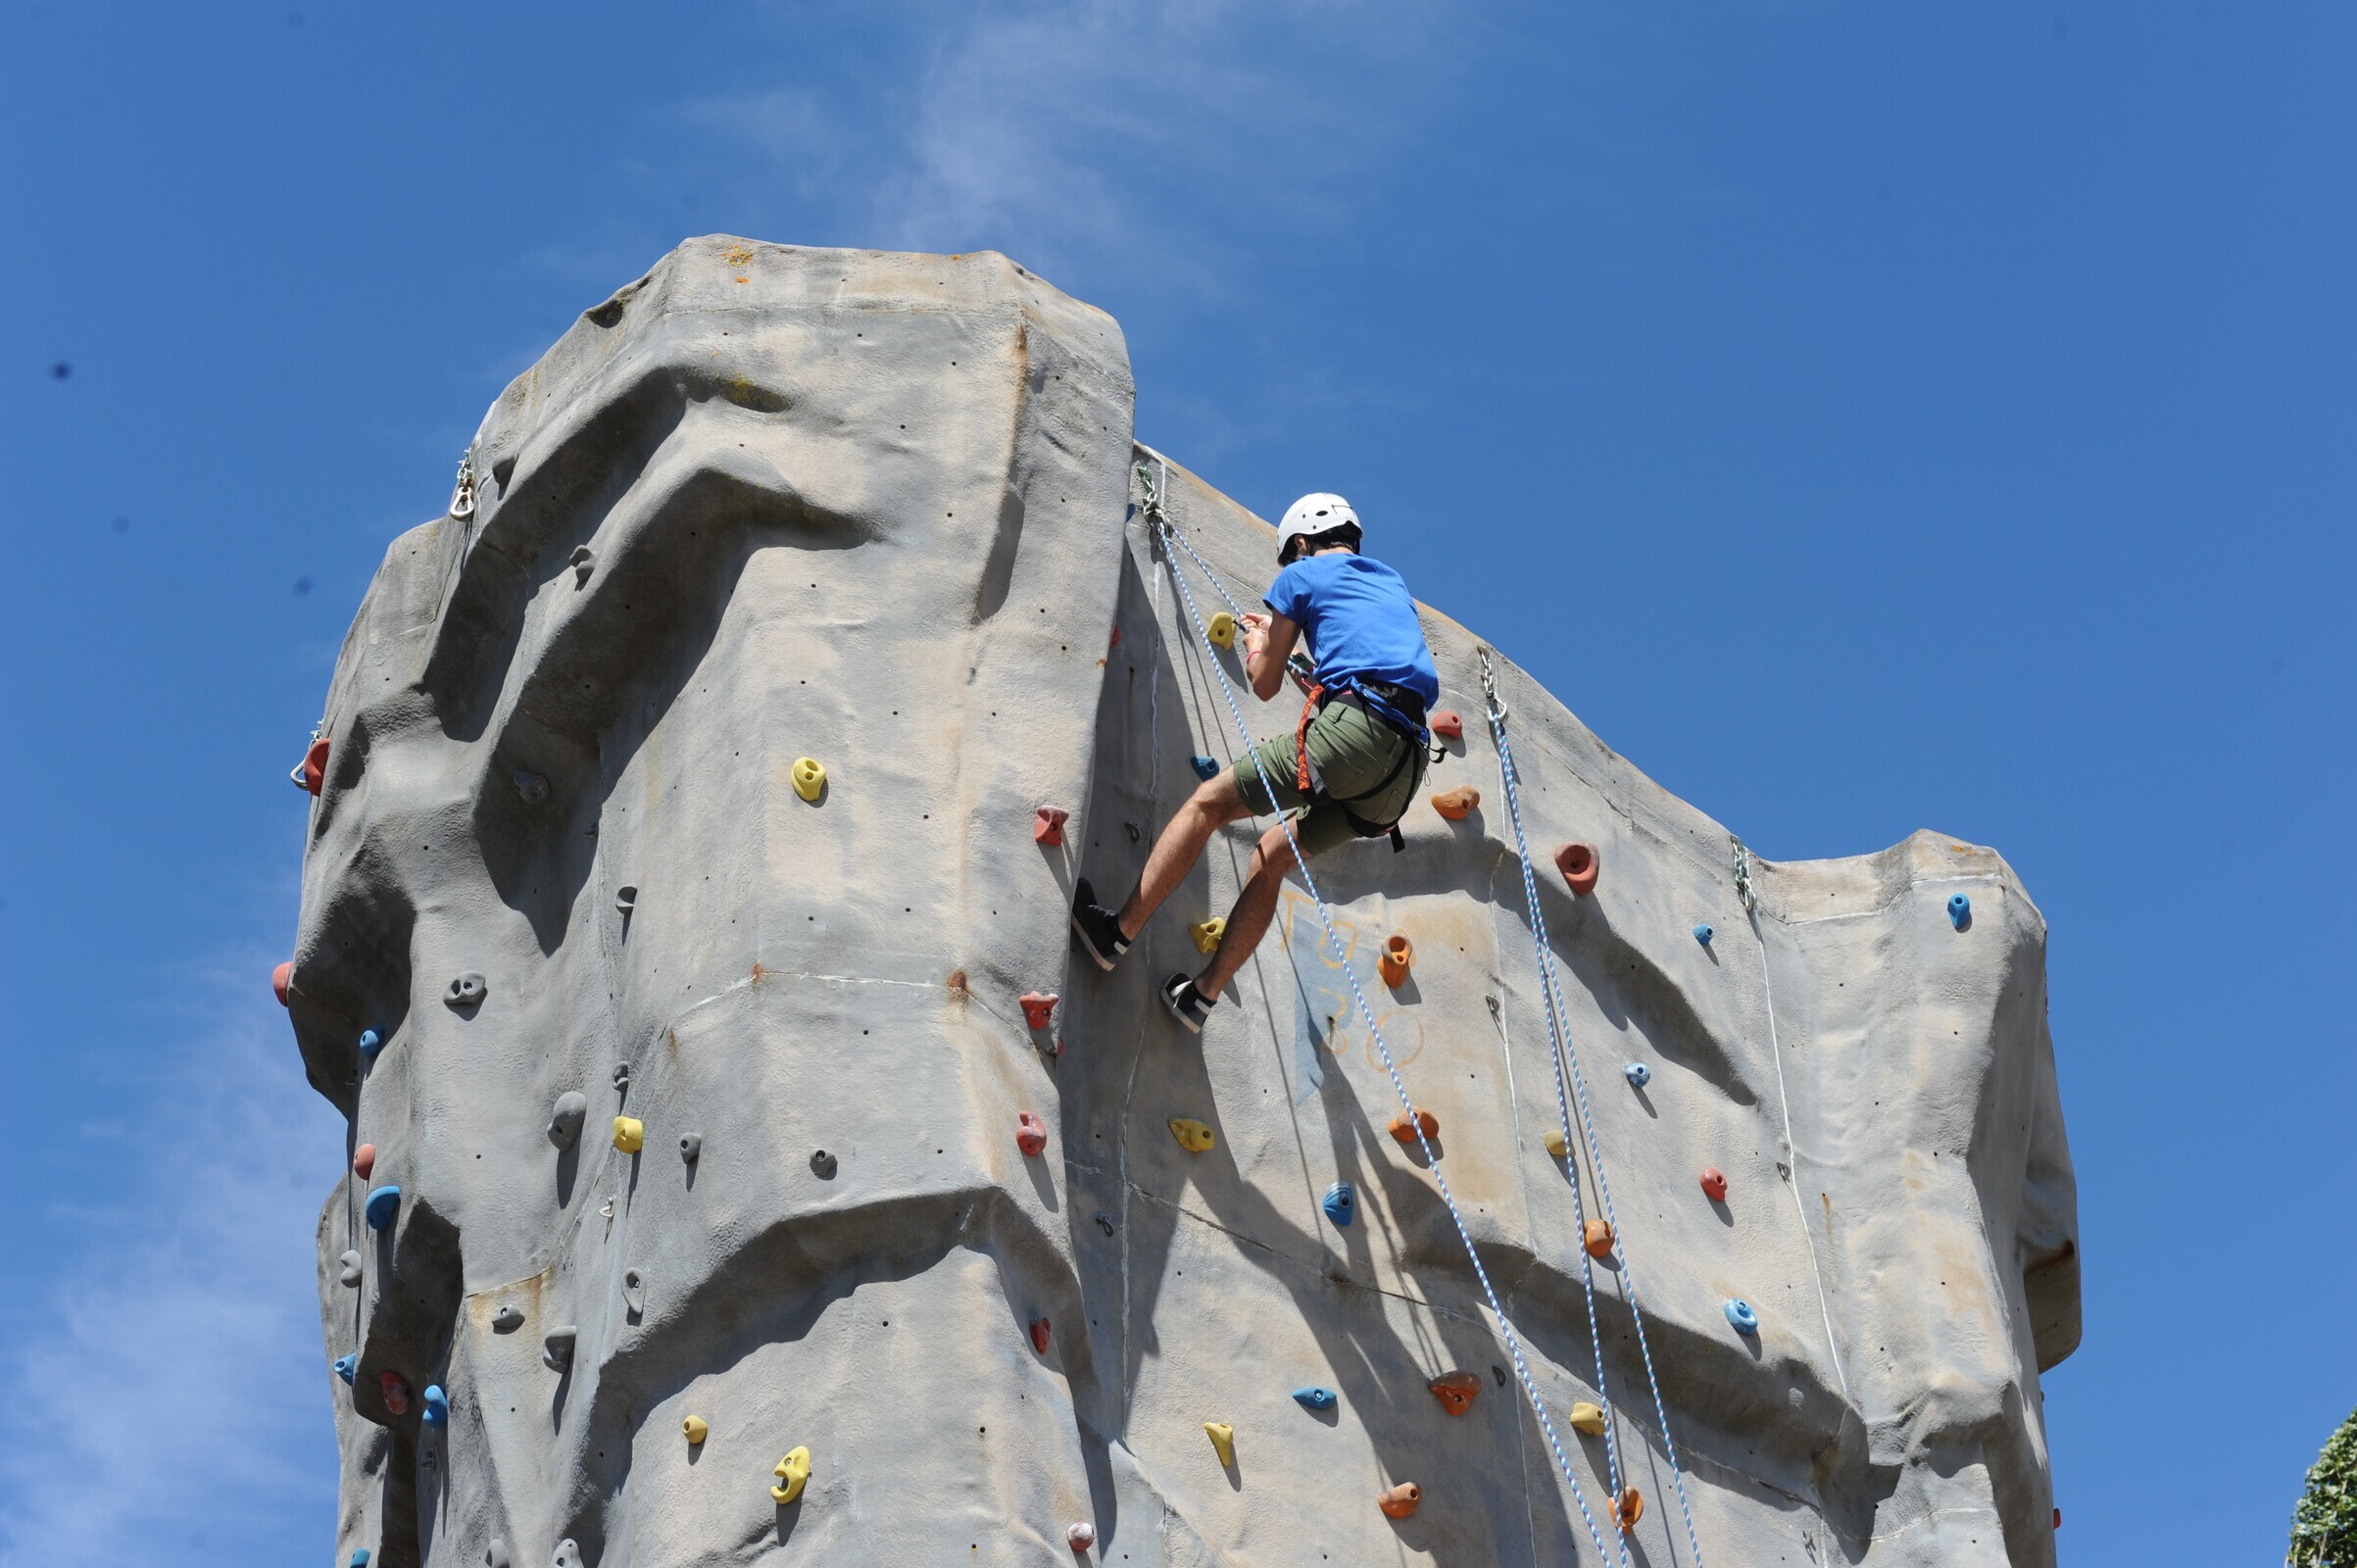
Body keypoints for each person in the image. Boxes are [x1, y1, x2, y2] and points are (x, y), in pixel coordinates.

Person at [1071, 493, 1440, 1032]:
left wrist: (1258, 641)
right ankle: (1200, 997)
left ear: (1300, 543)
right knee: (1272, 854)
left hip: (1356, 734)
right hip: (1402, 771)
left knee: (1207, 805)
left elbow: (1263, 685)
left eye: (1290, 557)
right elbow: (1370, 662)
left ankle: (1115, 934)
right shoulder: (1389, 582)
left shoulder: (1302, 576)